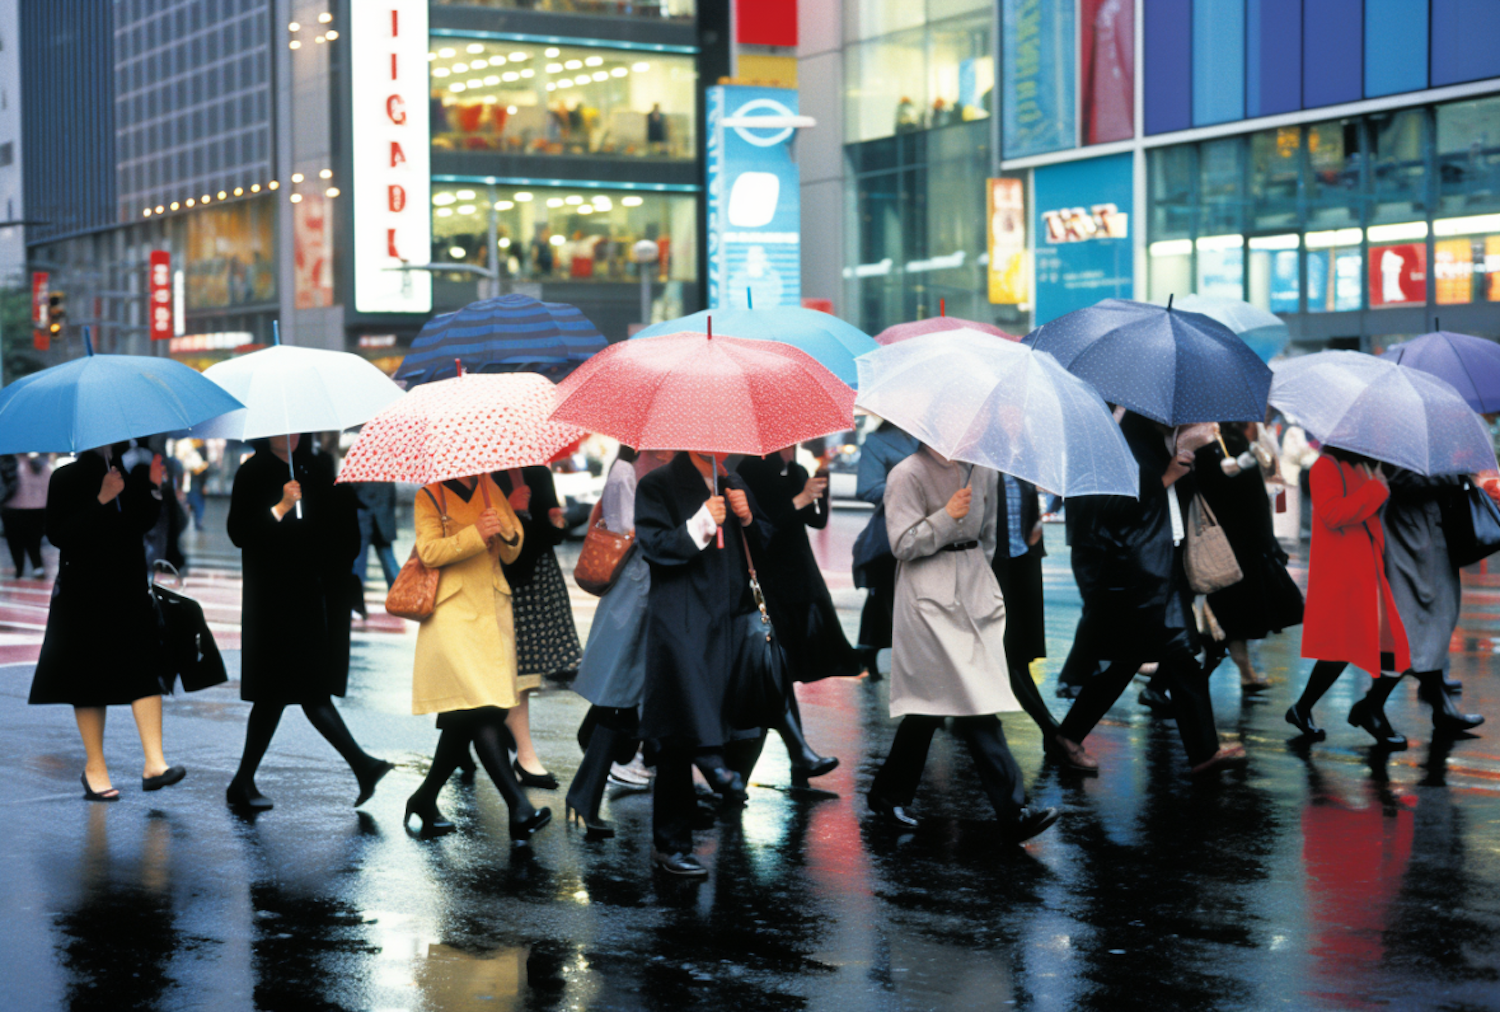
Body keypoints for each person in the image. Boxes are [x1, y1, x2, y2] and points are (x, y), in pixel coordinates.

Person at [866, 444, 1059, 842]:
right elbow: (902, 544)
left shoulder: (982, 468)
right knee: (975, 700)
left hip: (974, 592)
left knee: (934, 705)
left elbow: (988, 536)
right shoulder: (907, 473)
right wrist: (945, 517)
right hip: (928, 598)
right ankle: (1014, 809)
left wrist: (979, 582)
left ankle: (887, 795)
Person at [1056, 413, 1244, 775]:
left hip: (1165, 564)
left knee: (1166, 658)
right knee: (1165, 658)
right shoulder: (1120, 443)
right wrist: (1168, 476)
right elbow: (1109, 509)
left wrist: (1195, 452)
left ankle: (1069, 736)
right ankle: (1203, 753)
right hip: (1136, 570)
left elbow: (1194, 494)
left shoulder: (1166, 441)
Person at [224, 435, 393, 811]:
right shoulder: (252, 472)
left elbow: (337, 535)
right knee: (301, 689)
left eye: (299, 428)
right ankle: (362, 766)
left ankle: (243, 782)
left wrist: (343, 502)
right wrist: (281, 507)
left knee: (278, 693)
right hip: (271, 599)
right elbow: (239, 533)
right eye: (284, 429)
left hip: (311, 597)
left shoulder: (315, 470)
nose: (291, 435)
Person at [635, 451, 768, 878]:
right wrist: (701, 522)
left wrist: (748, 521)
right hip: (680, 615)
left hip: (727, 619)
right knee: (679, 720)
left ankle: (708, 787)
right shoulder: (656, 484)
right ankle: (670, 842)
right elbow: (654, 547)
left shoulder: (733, 480)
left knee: (712, 714)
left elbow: (767, 543)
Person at [28, 445, 186, 800]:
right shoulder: (65, 477)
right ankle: (95, 767)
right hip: (81, 591)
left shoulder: (127, 471)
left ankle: (155, 763)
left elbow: (141, 523)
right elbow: (59, 534)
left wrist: (155, 488)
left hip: (128, 585)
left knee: (144, 667)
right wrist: (101, 499)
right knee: (88, 678)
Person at [401, 473, 553, 844]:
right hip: (451, 615)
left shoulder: (489, 488)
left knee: (464, 717)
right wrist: (476, 533)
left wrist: (507, 529)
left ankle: (423, 798)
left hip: (492, 612)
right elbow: (430, 551)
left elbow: (513, 550)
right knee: (482, 711)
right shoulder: (429, 496)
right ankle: (518, 807)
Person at [734, 447, 856, 783]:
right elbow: (764, 529)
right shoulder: (748, 471)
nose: (793, 446)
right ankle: (791, 755)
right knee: (776, 669)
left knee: (779, 672)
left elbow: (816, 520)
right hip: (771, 582)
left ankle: (784, 758)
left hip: (801, 581)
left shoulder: (798, 470)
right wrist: (799, 500)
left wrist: (822, 485)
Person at [567, 446, 671, 838]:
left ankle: (584, 793)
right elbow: (628, 530)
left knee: (625, 695)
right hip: (633, 591)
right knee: (621, 691)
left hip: (644, 589)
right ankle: (584, 794)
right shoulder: (625, 471)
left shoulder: (640, 471)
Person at [1286, 448, 1413, 748]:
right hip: (1344, 574)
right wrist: (1376, 489)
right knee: (1344, 649)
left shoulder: (1360, 465)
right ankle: (1351, 710)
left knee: (1394, 649)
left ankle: (1366, 708)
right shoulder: (1325, 466)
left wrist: (1377, 484)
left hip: (1367, 572)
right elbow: (1333, 515)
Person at [991, 473, 1096, 771]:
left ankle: (1054, 735)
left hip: (1020, 565)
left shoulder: (1018, 463)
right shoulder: (979, 465)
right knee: (1010, 659)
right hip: (990, 570)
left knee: (1016, 656)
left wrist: (1036, 526)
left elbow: (1024, 515)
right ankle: (1054, 734)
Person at [1190, 423, 1304, 693]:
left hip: (1229, 542)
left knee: (1228, 615)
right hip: (1232, 545)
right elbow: (1250, 500)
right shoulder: (1220, 445)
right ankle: (1175, 682)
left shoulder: (1220, 443)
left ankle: (1243, 670)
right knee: (1226, 616)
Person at [491, 466, 583, 789]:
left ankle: (510, 746)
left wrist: (558, 523)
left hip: (539, 577)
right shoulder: (486, 474)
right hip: (503, 580)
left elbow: (549, 532)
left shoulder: (538, 472)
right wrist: (514, 512)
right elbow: (493, 540)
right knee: (515, 671)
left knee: (525, 672)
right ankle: (522, 755)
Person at [1380, 468, 1484, 734]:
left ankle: (1441, 705)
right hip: (1411, 537)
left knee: (1436, 622)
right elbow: (1402, 481)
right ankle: (1372, 704)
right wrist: (1450, 476)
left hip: (1431, 535)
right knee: (1418, 625)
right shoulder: (1401, 442)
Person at [852, 420, 920, 674]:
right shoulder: (877, 442)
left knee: (887, 599)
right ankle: (872, 651)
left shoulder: (933, 435)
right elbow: (867, 488)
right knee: (887, 596)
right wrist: (910, 488)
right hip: (894, 531)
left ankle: (869, 648)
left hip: (932, 526)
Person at [3, 453, 51, 578]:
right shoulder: (44, 466)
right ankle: (37, 567)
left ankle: (19, 568)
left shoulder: (10, 465)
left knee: (15, 543)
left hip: (13, 509)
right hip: (38, 509)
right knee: (34, 542)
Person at [352, 480, 402, 593]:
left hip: (368, 520)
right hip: (380, 519)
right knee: (386, 558)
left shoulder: (361, 472)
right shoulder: (385, 473)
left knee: (361, 561)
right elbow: (391, 498)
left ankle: (356, 595)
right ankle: (400, 591)